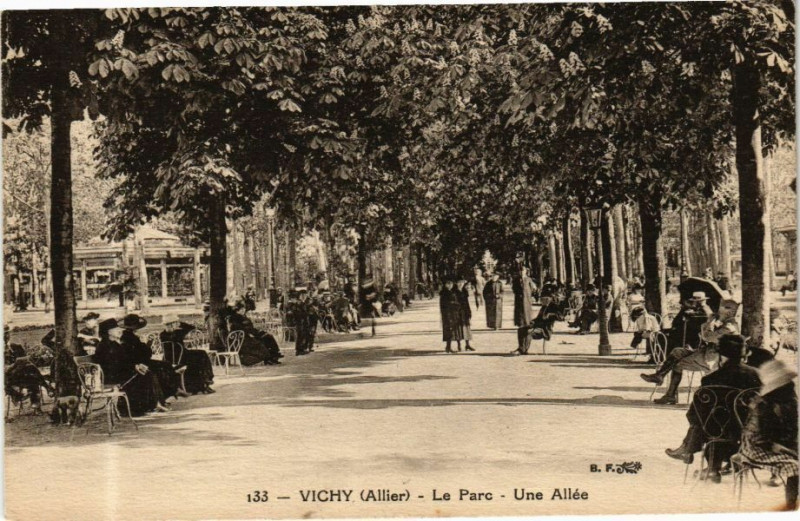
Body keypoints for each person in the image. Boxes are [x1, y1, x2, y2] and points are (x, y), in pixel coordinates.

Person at [664, 334, 761, 482]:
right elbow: (764, 405)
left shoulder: (710, 379)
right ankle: (728, 464)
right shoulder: (755, 374)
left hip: (715, 436)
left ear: (720, 354)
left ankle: (711, 468)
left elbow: (694, 414)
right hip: (748, 434)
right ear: (744, 353)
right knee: (725, 425)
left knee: (709, 425)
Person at [642, 297, 739, 404]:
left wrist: (709, 323)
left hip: (714, 358)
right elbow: (709, 322)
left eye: (721, 309)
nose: (718, 311)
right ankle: (659, 375)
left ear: (730, 312)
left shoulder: (730, 327)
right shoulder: (722, 322)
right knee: (677, 351)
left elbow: (707, 337)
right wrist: (706, 310)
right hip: (707, 352)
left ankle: (670, 395)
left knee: (678, 365)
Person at [735, 360, 798, 509]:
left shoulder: (786, 403)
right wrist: (786, 448)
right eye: (788, 385)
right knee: (795, 467)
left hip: (778, 443)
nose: (792, 387)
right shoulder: (763, 407)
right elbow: (762, 439)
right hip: (757, 448)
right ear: (779, 388)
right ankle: (790, 506)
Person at [94, 321, 167, 416]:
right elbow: (113, 365)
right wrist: (134, 367)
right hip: (112, 377)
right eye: (116, 330)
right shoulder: (105, 346)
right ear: (109, 332)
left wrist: (136, 365)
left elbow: (124, 360)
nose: (120, 331)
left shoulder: (113, 344)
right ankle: (136, 409)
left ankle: (153, 404)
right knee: (144, 375)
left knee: (147, 372)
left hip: (117, 373)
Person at [121, 314, 186, 402]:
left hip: (141, 361)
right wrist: (146, 345)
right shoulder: (130, 337)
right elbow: (142, 353)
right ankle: (171, 391)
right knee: (163, 366)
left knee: (165, 365)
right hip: (139, 363)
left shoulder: (128, 335)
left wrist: (144, 346)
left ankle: (173, 390)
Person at [160, 315, 215, 394]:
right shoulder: (178, 333)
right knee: (201, 355)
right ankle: (206, 380)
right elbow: (191, 327)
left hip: (169, 358)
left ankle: (204, 382)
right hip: (182, 357)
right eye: (176, 323)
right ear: (172, 324)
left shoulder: (162, 334)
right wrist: (181, 324)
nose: (177, 324)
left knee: (200, 355)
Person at [294, 291, 319, 356]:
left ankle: (303, 348)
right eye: (303, 295)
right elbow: (298, 313)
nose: (304, 297)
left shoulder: (303, 303)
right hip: (301, 321)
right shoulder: (299, 303)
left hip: (304, 321)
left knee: (304, 334)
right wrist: (307, 314)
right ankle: (300, 350)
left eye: (305, 295)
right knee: (301, 335)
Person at [439, 279, 461, 353]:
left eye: (451, 284)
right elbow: (445, 304)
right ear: (445, 285)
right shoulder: (444, 293)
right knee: (449, 330)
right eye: (448, 284)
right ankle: (448, 347)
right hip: (448, 314)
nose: (450, 285)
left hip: (452, 314)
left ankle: (448, 347)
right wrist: (456, 304)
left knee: (451, 331)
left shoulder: (450, 292)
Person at [455, 278, 475, 351]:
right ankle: (459, 345)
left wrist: (469, 311)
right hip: (457, 313)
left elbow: (466, 302)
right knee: (458, 329)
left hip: (464, 312)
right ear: (456, 283)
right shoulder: (454, 292)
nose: (460, 284)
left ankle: (467, 345)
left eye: (462, 282)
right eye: (459, 282)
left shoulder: (464, 291)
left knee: (466, 328)